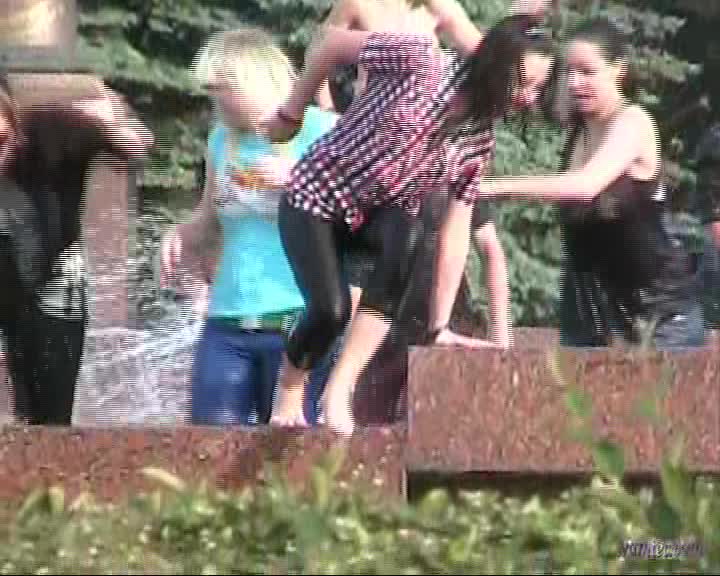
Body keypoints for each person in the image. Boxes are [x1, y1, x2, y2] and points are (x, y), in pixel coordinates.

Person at [263, 12, 555, 436]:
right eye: (522, 83)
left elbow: (456, 230)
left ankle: (339, 390)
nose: (527, 98)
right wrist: (291, 114)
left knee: (410, 234)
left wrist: (439, 325)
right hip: (317, 197)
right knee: (330, 311)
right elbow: (328, 43)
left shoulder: (477, 140)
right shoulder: (419, 59)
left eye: (538, 89)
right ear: (494, 63)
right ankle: (290, 388)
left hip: (379, 218)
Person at [433, 17, 705, 350]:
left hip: (658, 317)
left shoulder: (634, 123)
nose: (575, 83)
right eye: (570, 73)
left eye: (587, 72)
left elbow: (586, 185)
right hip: (591, 312)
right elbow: (505, 63)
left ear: (618, 70)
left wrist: (488, 187)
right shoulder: (579, 128)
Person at [160, 27, 339, 426]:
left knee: (291, 448)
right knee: (209, 442)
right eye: (212, 94)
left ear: (254, 79)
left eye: (224, 92)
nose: (219, 105)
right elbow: (209, 218)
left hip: (297, 322)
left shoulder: (319, 129)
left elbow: (360, 211)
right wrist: (179, 234)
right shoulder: (220, 140)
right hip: (226, 320)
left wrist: (299, 179)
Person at [319, 0, 515, 350]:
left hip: (419, 128)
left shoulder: (441, 8)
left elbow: (488, 60)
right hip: (372, 128)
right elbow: (320, 50)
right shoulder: (356, 5)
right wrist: (328, 113)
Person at [0, 72, 153, 425]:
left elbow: (138, 147)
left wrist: (112, 124)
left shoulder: (54, 129)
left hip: (53, 290)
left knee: (47, 414)